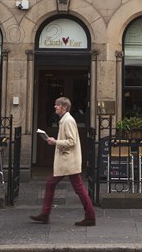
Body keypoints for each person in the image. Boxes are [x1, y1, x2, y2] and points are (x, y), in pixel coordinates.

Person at [30, 96, 96, 226]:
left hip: (68, 161)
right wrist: (56, 141)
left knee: (76, 188)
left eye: (57, 105)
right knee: (55, 184)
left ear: (64, 107)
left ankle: (90, 216)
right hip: (67, 161)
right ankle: (46, 214)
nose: (55, 106)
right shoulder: (65, 120)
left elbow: (72, 141)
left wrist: (55, 142)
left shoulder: (68, 121)